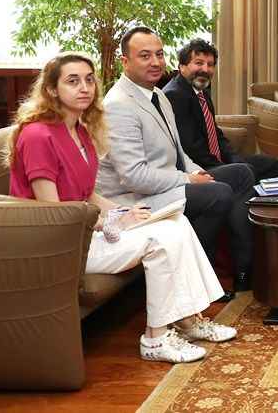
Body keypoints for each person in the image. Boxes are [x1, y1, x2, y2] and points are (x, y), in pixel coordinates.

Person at [7, 52, 237, 363]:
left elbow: (88, 194)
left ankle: (188, 321)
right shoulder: (38, 135)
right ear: (51, 89)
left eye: (89, 80)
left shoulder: (79, 130)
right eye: (72, 81)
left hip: (83, 231)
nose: (84, 88)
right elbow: (54, 212)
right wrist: (109, 222)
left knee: (177, 223)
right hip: (59, 244)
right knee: (160, 241)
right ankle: (156, 339)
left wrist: (122, 213)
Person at [96, 26, 257, 296]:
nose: (156, 62)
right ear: (125, 61)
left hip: (165, 184)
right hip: (135, 199)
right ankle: (194, 281)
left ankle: (244, 270)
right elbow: (134, 177)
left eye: (159, 54)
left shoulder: (158, 95)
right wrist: (188, 179)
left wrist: (200, 173)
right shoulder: (118, 105)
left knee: (241, 174)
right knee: (217, 194)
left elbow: (179, 153)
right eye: (145, 56)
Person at [164, 38, 278, 181]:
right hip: (197, 170)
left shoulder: (201, 92)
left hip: (214, 161)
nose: (205, 70)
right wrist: (225, 166)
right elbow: (191, 148)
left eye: (210, 65)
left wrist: (235, 159)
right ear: (182, 66)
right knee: (244, 171)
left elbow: (216, 134)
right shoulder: (175, 95)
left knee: (270, 163)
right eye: (199, 63)